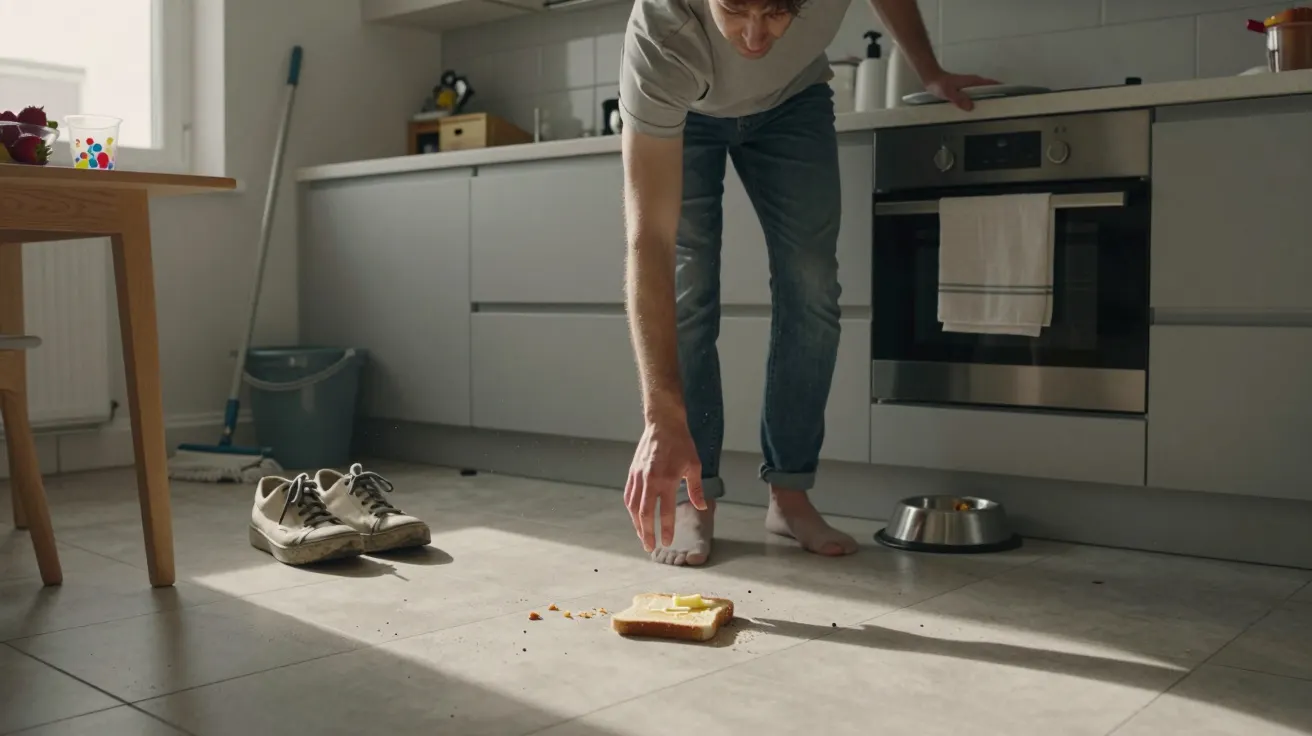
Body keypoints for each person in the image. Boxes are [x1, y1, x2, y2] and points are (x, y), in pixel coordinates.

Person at [619, 0, 994, 566]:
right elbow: (651, 242)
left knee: (812, 288)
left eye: (775, 13)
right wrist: (659, 417)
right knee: (688, 291)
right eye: (734, 9)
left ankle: (789, 494)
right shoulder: (662, 36)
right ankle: (695, 497)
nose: (752, 37)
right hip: (688, 114)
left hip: (793, 101)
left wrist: (929, 69)